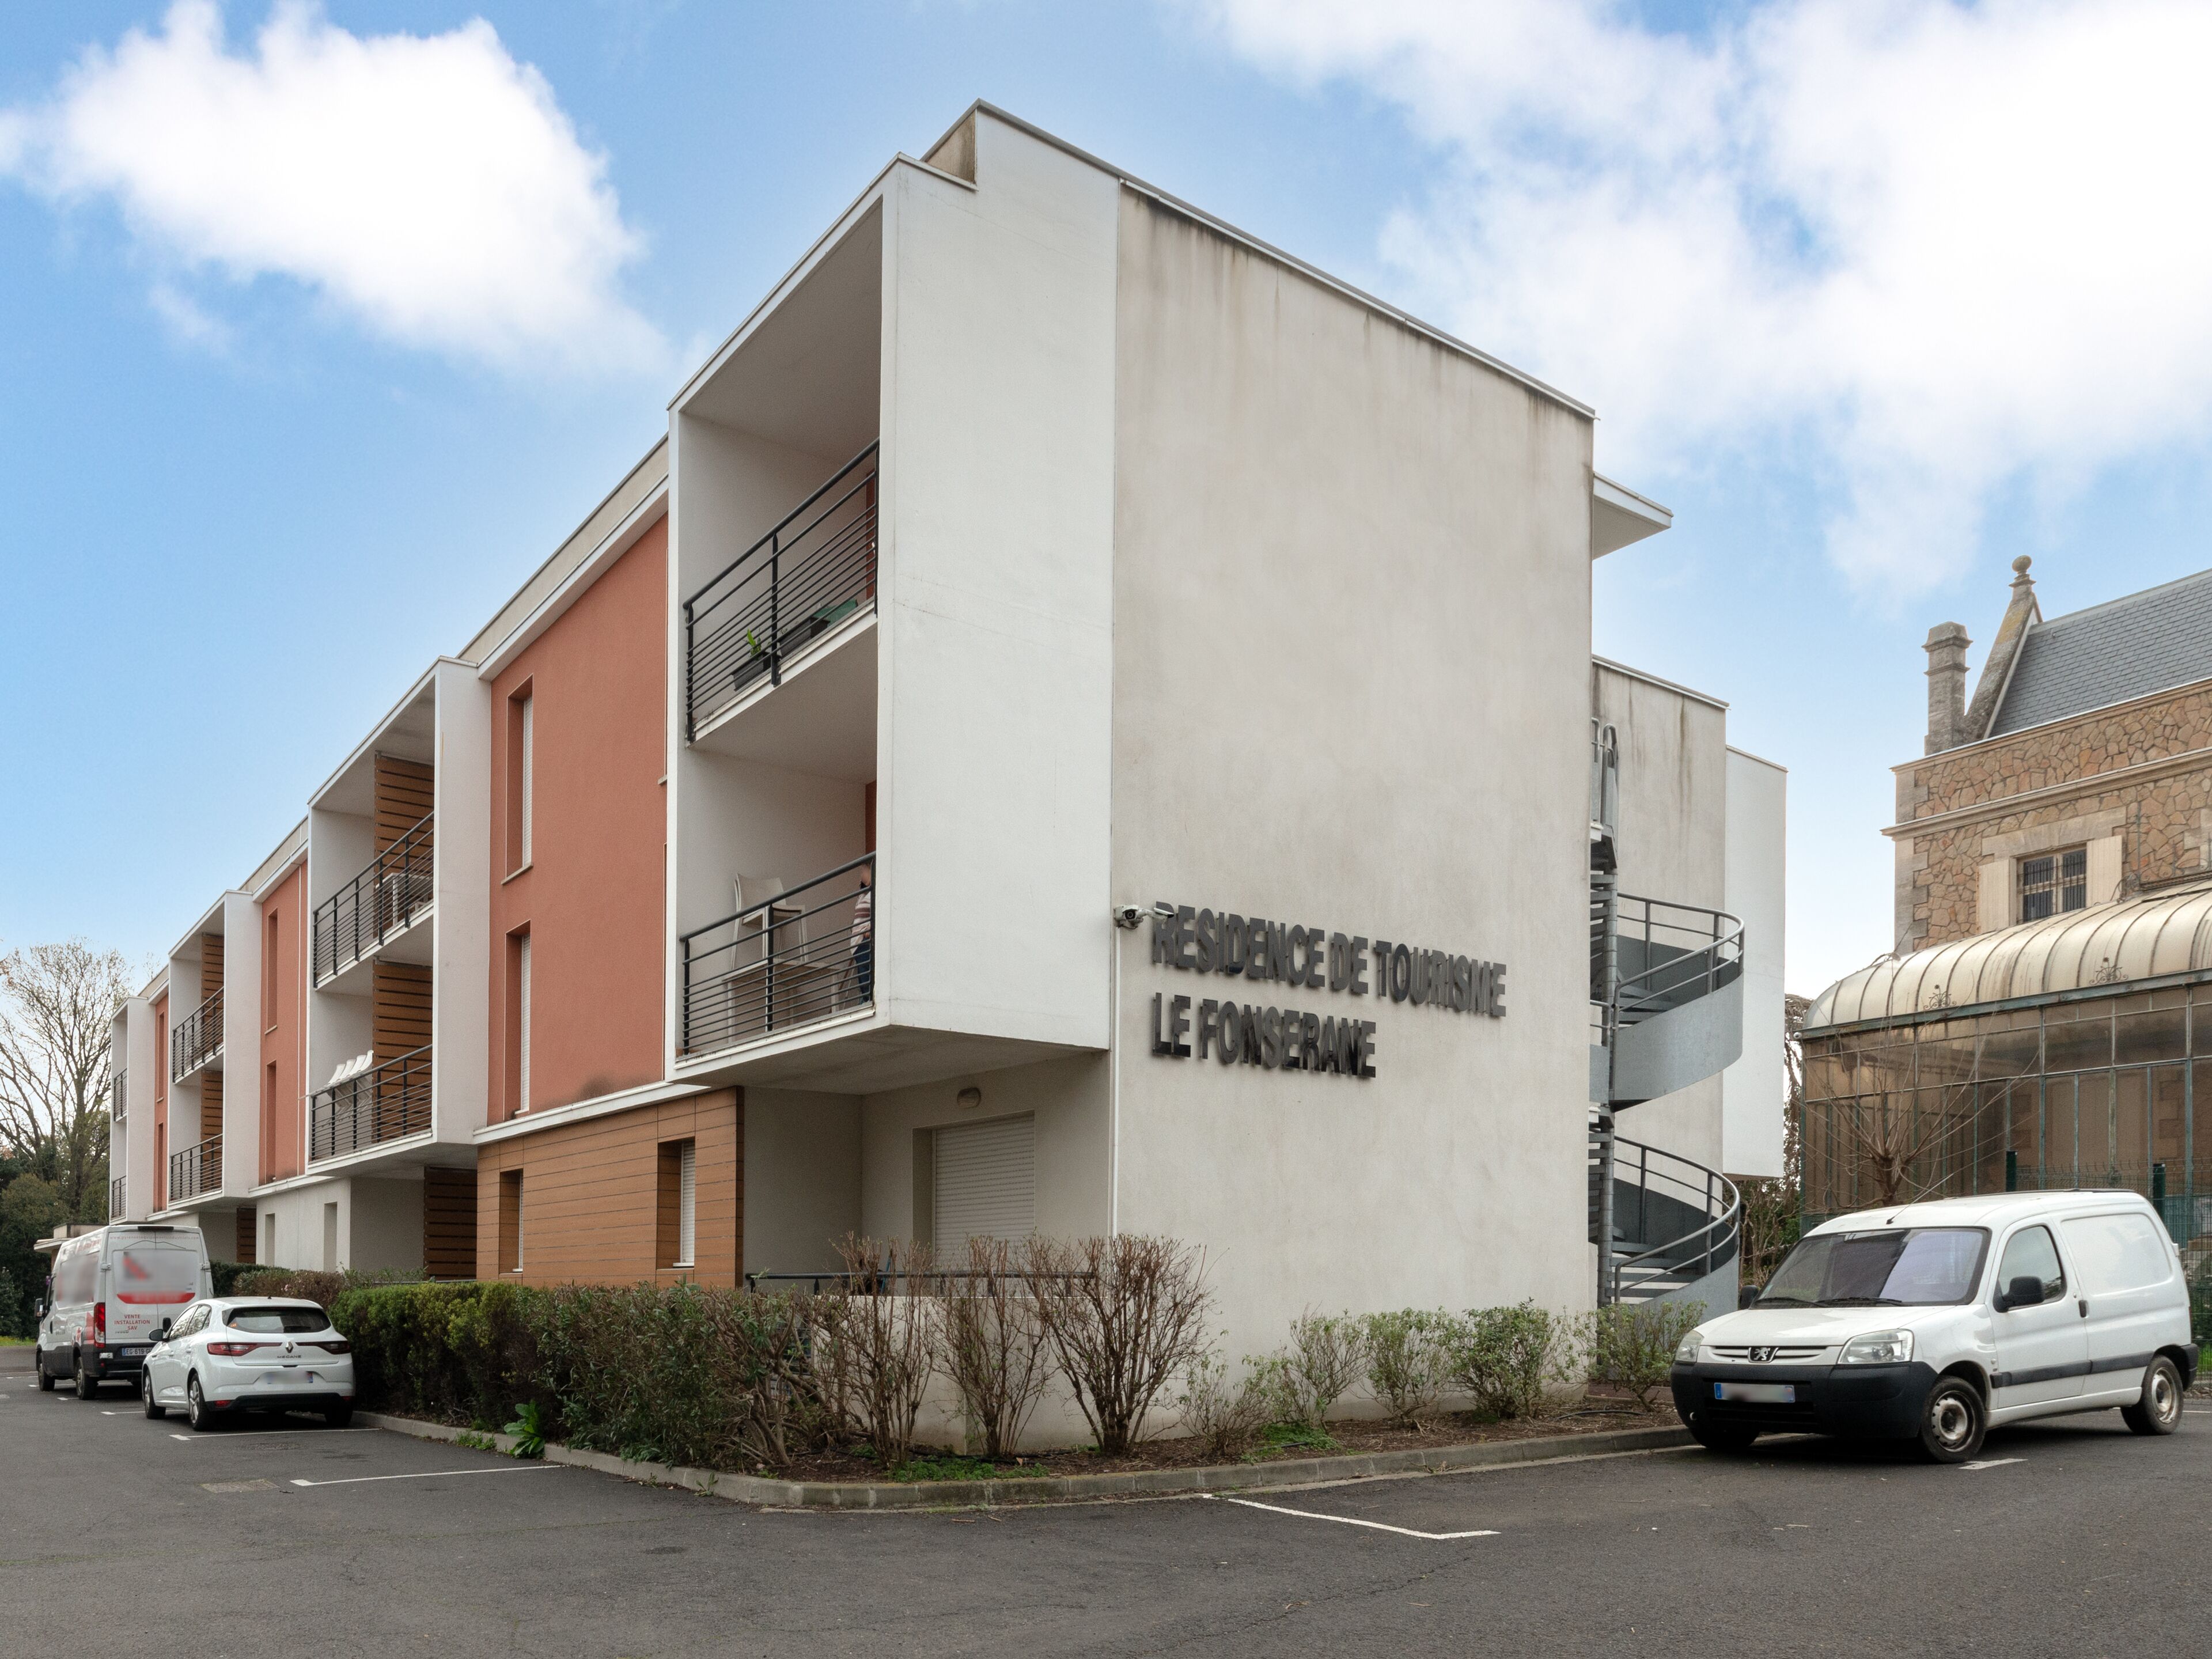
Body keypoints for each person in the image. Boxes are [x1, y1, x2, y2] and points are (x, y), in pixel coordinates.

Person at [850, 865, 874, 1004]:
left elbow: (878, 913)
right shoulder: (863, 894)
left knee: (866, 977)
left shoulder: (875, 892)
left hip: (865, 939)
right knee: (862, 976)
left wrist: (870, 928)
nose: (862, 874)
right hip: (857, 942)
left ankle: (867, 1001)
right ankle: (865, 1001)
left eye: (865, 871)